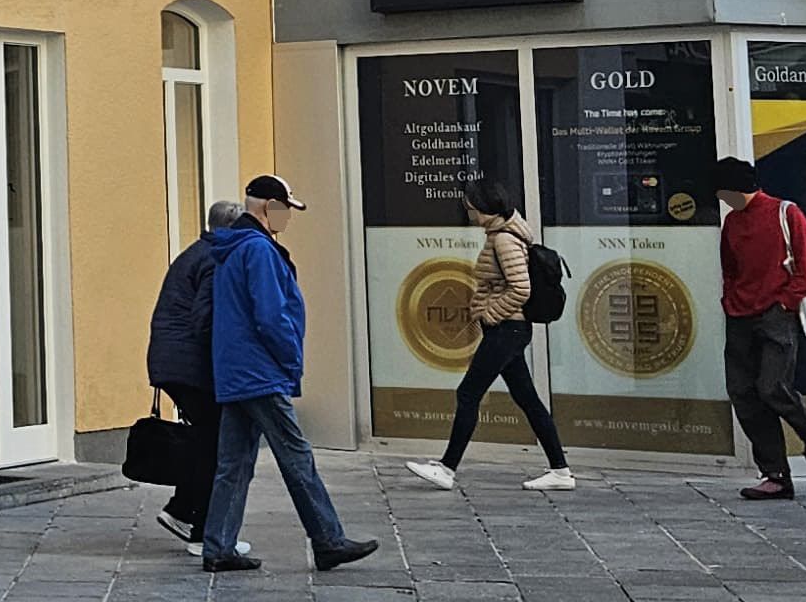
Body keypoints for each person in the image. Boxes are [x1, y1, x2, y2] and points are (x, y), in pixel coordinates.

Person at [200, 176, 377, 574]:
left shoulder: (231, 249)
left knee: (235, 461)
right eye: (284, 210)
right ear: (266, 207)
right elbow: (271, 315)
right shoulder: (259, 250)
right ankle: (328, 539)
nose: (288, 219)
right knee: (296, 456)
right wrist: (290, 359)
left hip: (237, 369)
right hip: (261, 371)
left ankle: (218, 546)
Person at [410, 177, 575, 492]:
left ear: (488, 208)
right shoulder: (505, 234)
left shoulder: (503, 240)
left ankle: (446, 468)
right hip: (510, 330)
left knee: (468, 393)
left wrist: (490, 314)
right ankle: (560, 470)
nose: (470, 214)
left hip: (507, 329)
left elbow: (521, 288)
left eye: (473, 208)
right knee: (527, 399)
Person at [715, 156, 806, 499]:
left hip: (775, 314)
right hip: (740, 315)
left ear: (735, 187)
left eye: (723, 191)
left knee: (773, 387)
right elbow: (730, 268)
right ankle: (775, 473)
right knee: (743, 392)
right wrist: (730, 300)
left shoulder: (786, 212)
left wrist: (785, 302)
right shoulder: (732, 222)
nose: (721, 198)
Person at [142, 200, 248, 548]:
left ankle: (186, 512)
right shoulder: (217, 259)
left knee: (208, 440)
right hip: (189, 365)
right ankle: (195, 523)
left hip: (174, 361)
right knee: (217, 444)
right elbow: (206, 318)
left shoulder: (198, 251)